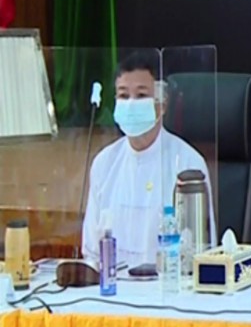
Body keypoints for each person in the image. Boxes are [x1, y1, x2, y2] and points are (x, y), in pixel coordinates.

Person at [81, 51, 215, 267]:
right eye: (123, 96)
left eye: (141, 95)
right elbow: (92, 253)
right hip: (113, 283)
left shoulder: (188, 165)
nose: (131, 104)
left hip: (169, 283)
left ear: (162, 104)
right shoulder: (104, 163)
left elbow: (201, 255)